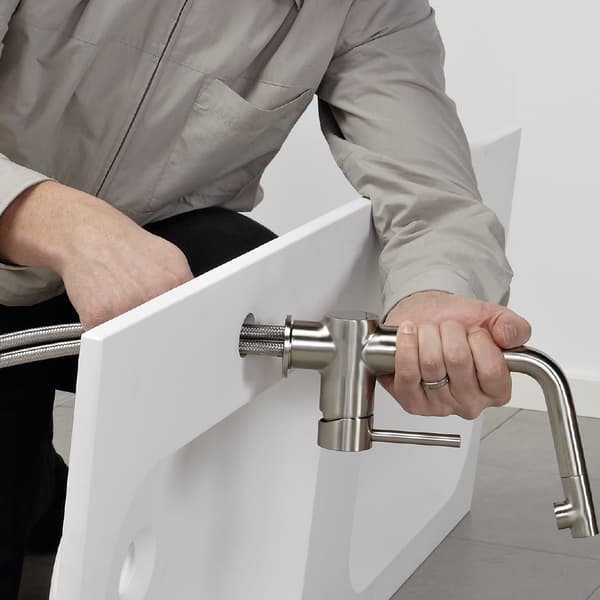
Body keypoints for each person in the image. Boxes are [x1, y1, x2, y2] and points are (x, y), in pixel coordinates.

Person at [0, 0, 531, 596]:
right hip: (25, 240)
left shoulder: (365, 8)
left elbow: (433, 195)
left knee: (237, 261)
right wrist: (63, 222)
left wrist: (435, 294)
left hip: (140, 270)